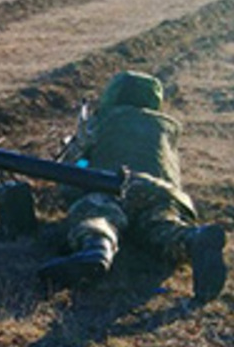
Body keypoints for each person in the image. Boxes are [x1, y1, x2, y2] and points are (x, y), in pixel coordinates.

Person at [37, 70, 226, 302]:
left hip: (112, 184)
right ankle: (193, 239)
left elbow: (74, 171)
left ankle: (96, 248)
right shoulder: (165, 128)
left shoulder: (100, 121)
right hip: (162, 193)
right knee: (162, 227)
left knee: (99, 213)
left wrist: (79, 161)